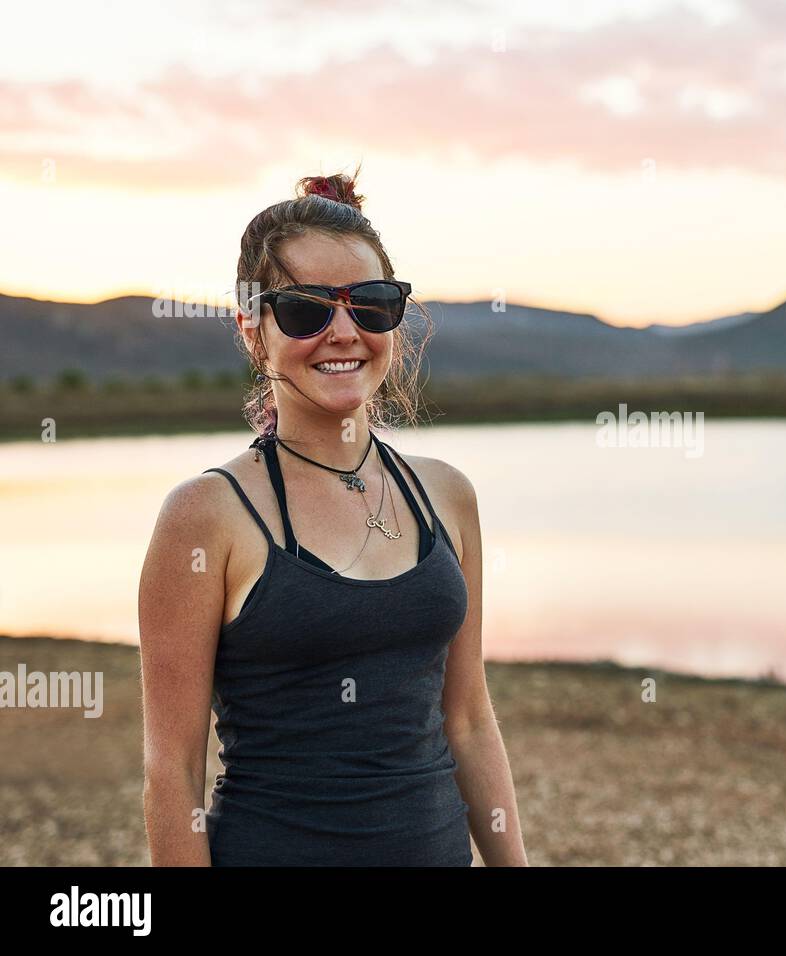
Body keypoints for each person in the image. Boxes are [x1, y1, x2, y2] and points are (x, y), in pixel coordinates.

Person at [137, 167, 527, 865]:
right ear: (252, 329)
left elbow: (467, 720)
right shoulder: (206, 516)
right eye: (306, 309)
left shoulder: (446, 496)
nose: (343, 332)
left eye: (370, 304)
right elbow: (172, 771)